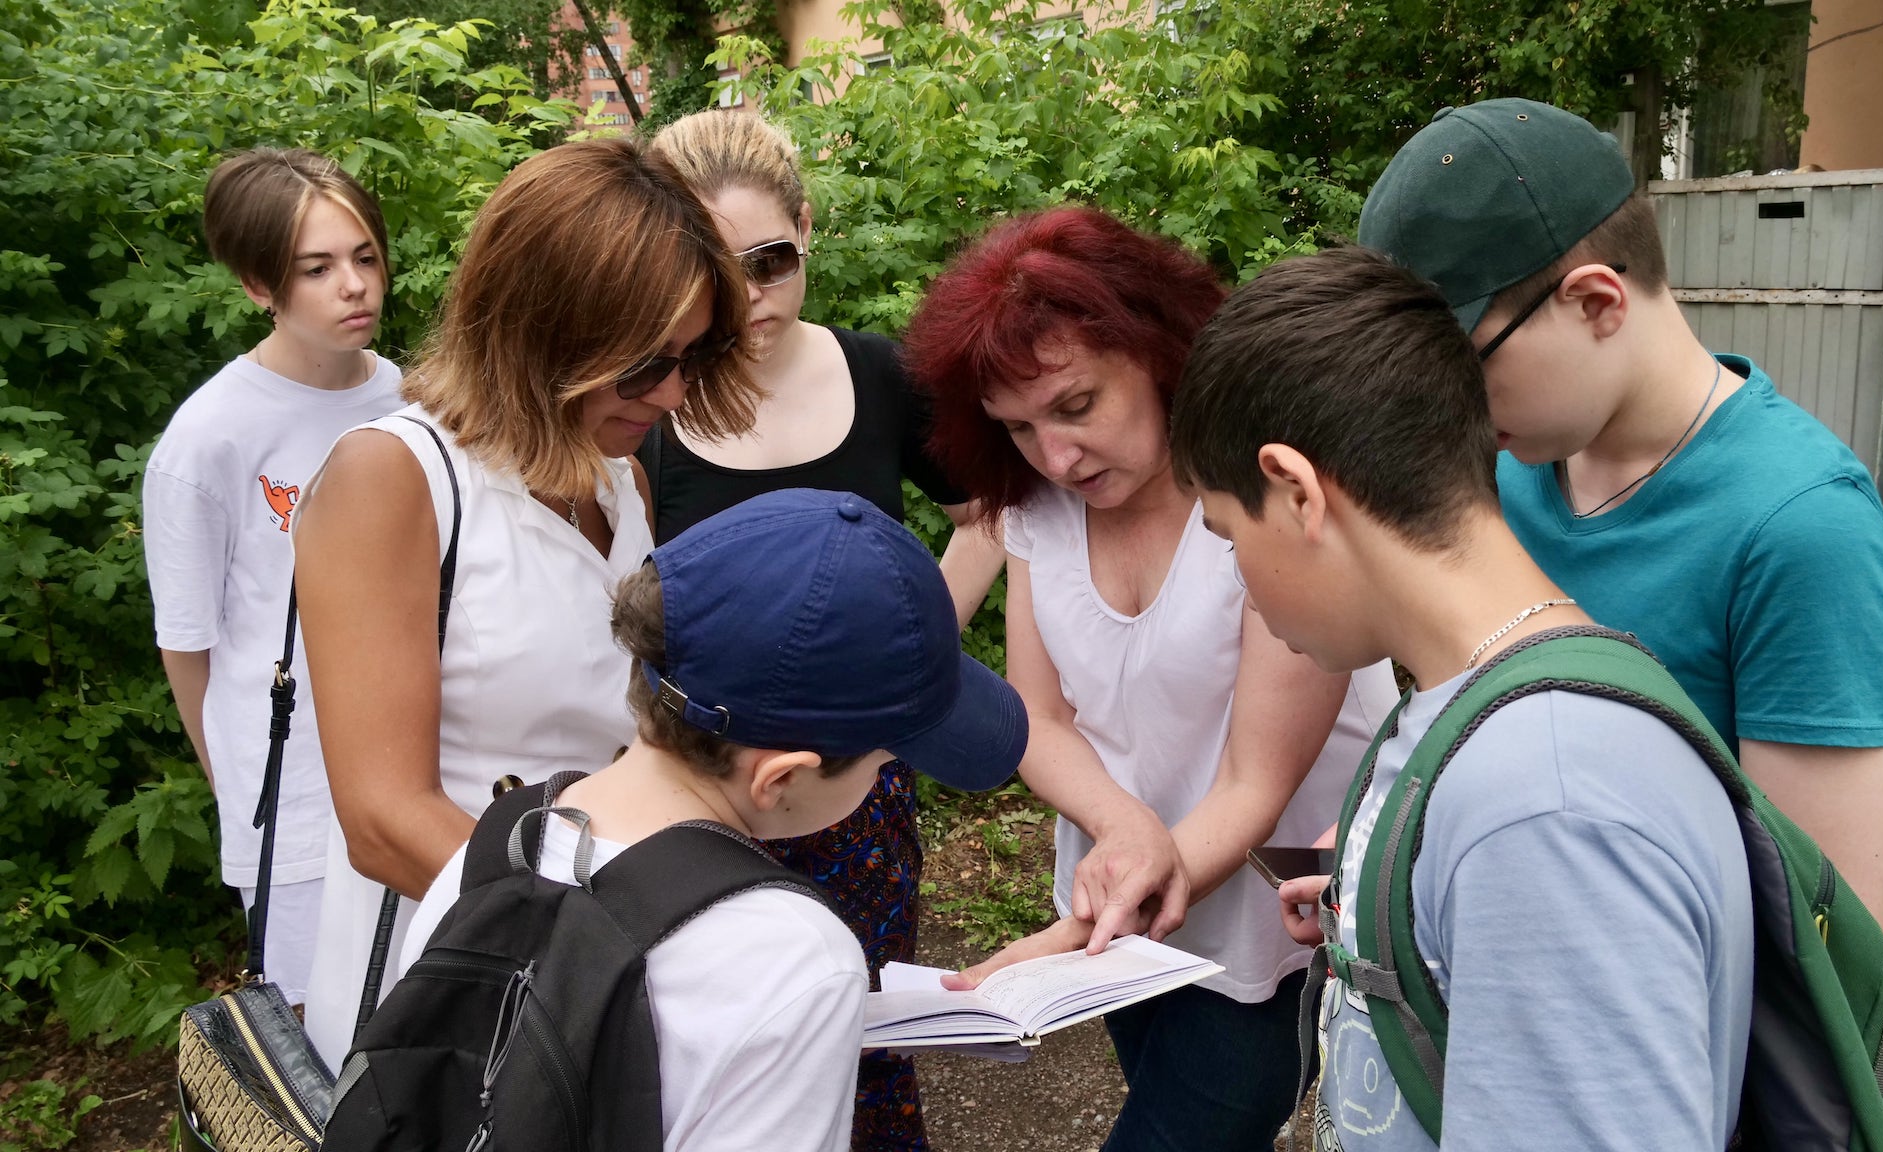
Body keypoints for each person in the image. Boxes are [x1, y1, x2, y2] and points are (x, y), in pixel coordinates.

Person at [1171, 244, 1754, 1150]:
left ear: (1293, 491)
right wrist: (1398, 916)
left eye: (1226, 534)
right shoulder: (1482, 715)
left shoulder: (1547, 808)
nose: (1239, 578)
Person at [904, 205, 1400, 1151]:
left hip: (1268, 913)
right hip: (1120, 901)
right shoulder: (1039, 506)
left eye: (1076, 405)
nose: (1055, 456)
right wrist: (1125, 827)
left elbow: (1256, 780)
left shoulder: (1261, 497)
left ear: (1161, 354)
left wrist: (1109, 903)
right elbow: (1039, 715)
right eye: (1018, 428)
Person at [1356, 98, 1883, 930]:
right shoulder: (1509, 471)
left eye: (1464, 368)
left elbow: (1829, 933)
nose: (1448, 409)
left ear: (1596, 302)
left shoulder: (1804, 532)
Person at [290, 137, 753, 1066]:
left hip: (587, 972)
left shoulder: (620, 480)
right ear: (542, 328)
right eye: (643, 363)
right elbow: (384, 819)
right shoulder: (396, 478)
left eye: (690, 358)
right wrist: (606, 942)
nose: (671, 394)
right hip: (446, 987)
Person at [392, 488, 1028, 1152]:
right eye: (884, 763)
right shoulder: (797, 959)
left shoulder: (494, 848)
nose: (880, 783)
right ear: (779, 778)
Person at [639, 108, 1005, 1152]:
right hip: (705, 800)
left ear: (806, 229)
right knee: (720, 1060)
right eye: (716, 271)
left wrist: (900, 669)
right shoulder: (649, 407)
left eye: (770, 261)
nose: (750, 296)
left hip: (856, 788)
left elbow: (986, 516)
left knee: (861, 1037)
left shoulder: (876, 374)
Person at [143, 148, 402, 1006]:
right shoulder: (208, 440)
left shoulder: (403, 399)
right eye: (317, 268)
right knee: (312, 1037)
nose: (354, 286)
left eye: (365, 257)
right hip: (291, 802)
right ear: (259, 285)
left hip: (408, 775)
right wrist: (242, 795)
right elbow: (188, 646)